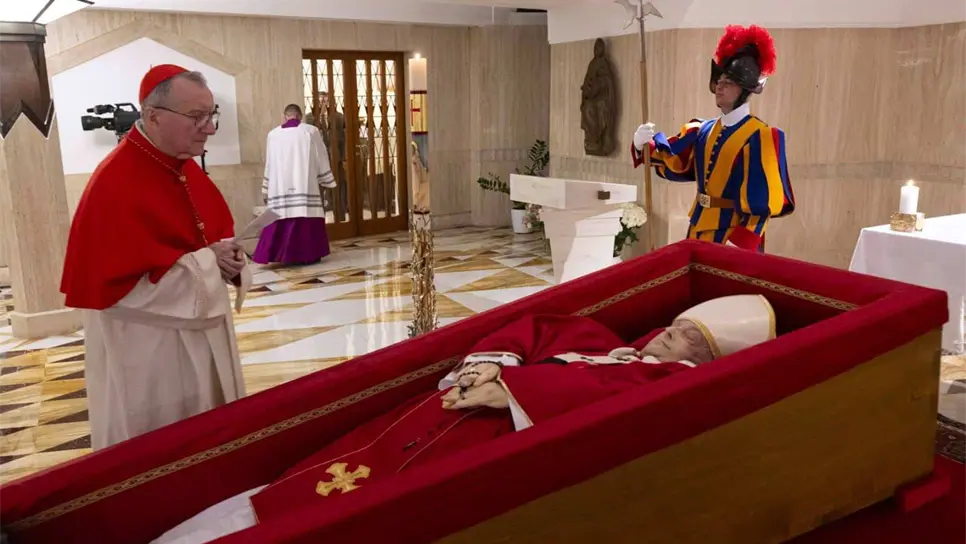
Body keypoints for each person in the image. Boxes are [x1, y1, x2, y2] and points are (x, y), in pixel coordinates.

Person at [154, 294, 775, 543]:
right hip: (450, 409)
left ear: (711, 358)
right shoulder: (618, 345)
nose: (670, 334)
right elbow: (545, 325)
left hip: (496, 437)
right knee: (327, 470)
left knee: (364, 507)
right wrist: (491, 364)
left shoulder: (672, 381)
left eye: (690, 337)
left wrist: (519, 393)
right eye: (677, 323)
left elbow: (626, 407)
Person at [60, 64, 250, 450]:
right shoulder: (113, 182)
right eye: (197, 117)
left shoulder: (183, 168)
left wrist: (229, 259)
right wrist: (207, 263)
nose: (210, 128)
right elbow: (119, 293)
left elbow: (211, 238)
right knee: (164, 445)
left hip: (202, 332)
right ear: (152, 116)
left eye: (211, 115)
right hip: (151, 348)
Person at [631, 25, 795, 252]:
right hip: (697, 228)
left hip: (733, 237)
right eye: (719, 81)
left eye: (728, 82)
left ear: (745, 90)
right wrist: (642, 145)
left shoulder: (761, 136)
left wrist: (741, 243)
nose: (720, 86)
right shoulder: (702, 129)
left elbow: (762, 204)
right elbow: (675, 163)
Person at [253, 104, 336, 265]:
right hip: (304, 184)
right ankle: (307, 254)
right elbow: (321, 155)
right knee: (305, 214)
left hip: (280, 186)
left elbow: (269, 162)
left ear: (284, 116)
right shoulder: (310, 131)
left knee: (280, 215)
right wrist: (325, 178)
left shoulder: (273, 135)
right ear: (300, 116)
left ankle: (277, 255)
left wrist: (266, 187)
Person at [318, 92, 347, 215]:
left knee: (338, 185)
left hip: (336, 157)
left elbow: (344, 138)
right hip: (319, 159)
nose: (324, 104)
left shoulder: (339, 117)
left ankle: (340, 214)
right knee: (320, 187)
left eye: (327, 101)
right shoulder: (310, 118)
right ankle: (320, 215)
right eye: (321, 102)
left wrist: (344, 156)